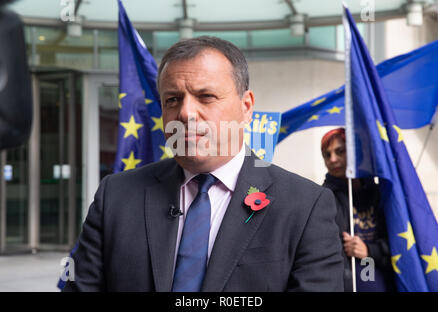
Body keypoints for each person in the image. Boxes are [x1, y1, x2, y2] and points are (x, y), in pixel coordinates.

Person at [63, 36, 344, 292]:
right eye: (172, 99)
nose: (185, 113)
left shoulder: (305, 205)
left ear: (246, 107)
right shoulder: (116, 195)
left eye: (206, 97)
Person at [321, 127, 396, 292]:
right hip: (349, 280)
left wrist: (369, 250)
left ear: (355, 152)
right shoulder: (324, 198)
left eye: (340, 151)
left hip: (382, 273)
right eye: (327, 154)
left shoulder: (379, 192)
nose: (332, 159)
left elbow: (398, 239)